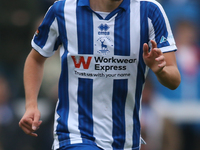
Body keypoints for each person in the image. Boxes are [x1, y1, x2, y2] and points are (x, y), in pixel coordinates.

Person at [19, 0, 181, 150]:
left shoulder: (149, 11)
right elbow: (36, 59)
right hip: (74, 133)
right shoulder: (62, 10)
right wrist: (31, 105)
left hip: (125, 140)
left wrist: (160, 70)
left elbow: (174, 79)